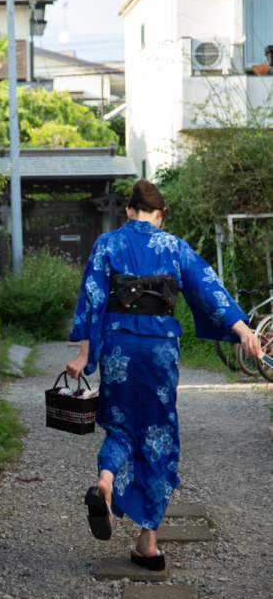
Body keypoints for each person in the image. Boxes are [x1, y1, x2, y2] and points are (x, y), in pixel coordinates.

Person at [66, 179, 261, 570]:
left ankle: (104, 484)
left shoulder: (108, 244)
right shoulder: (173, 247)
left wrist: (86, 353)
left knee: (120, 426)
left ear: (128, 211)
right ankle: (148, 544)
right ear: (160, 214)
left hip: (119, 347)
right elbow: (207, 286)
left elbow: (92, 298)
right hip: (158, 351)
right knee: (157, 435)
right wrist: (241, 329)